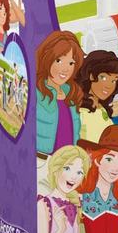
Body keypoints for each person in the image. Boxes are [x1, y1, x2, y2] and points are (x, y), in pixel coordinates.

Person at [36, 31, 85, 161]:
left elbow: (75, 130)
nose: (65, 69)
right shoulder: (37, 92)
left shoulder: (71, 93)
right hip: (43, 160)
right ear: (47, 58)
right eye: (59, 60)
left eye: (71, 63)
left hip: (68, 161)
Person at [76, 50, 118, 143]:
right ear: (91, 75)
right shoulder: (80, 112)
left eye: (114, 81)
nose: (109, 86)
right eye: (103, 78)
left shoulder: (101, 108)